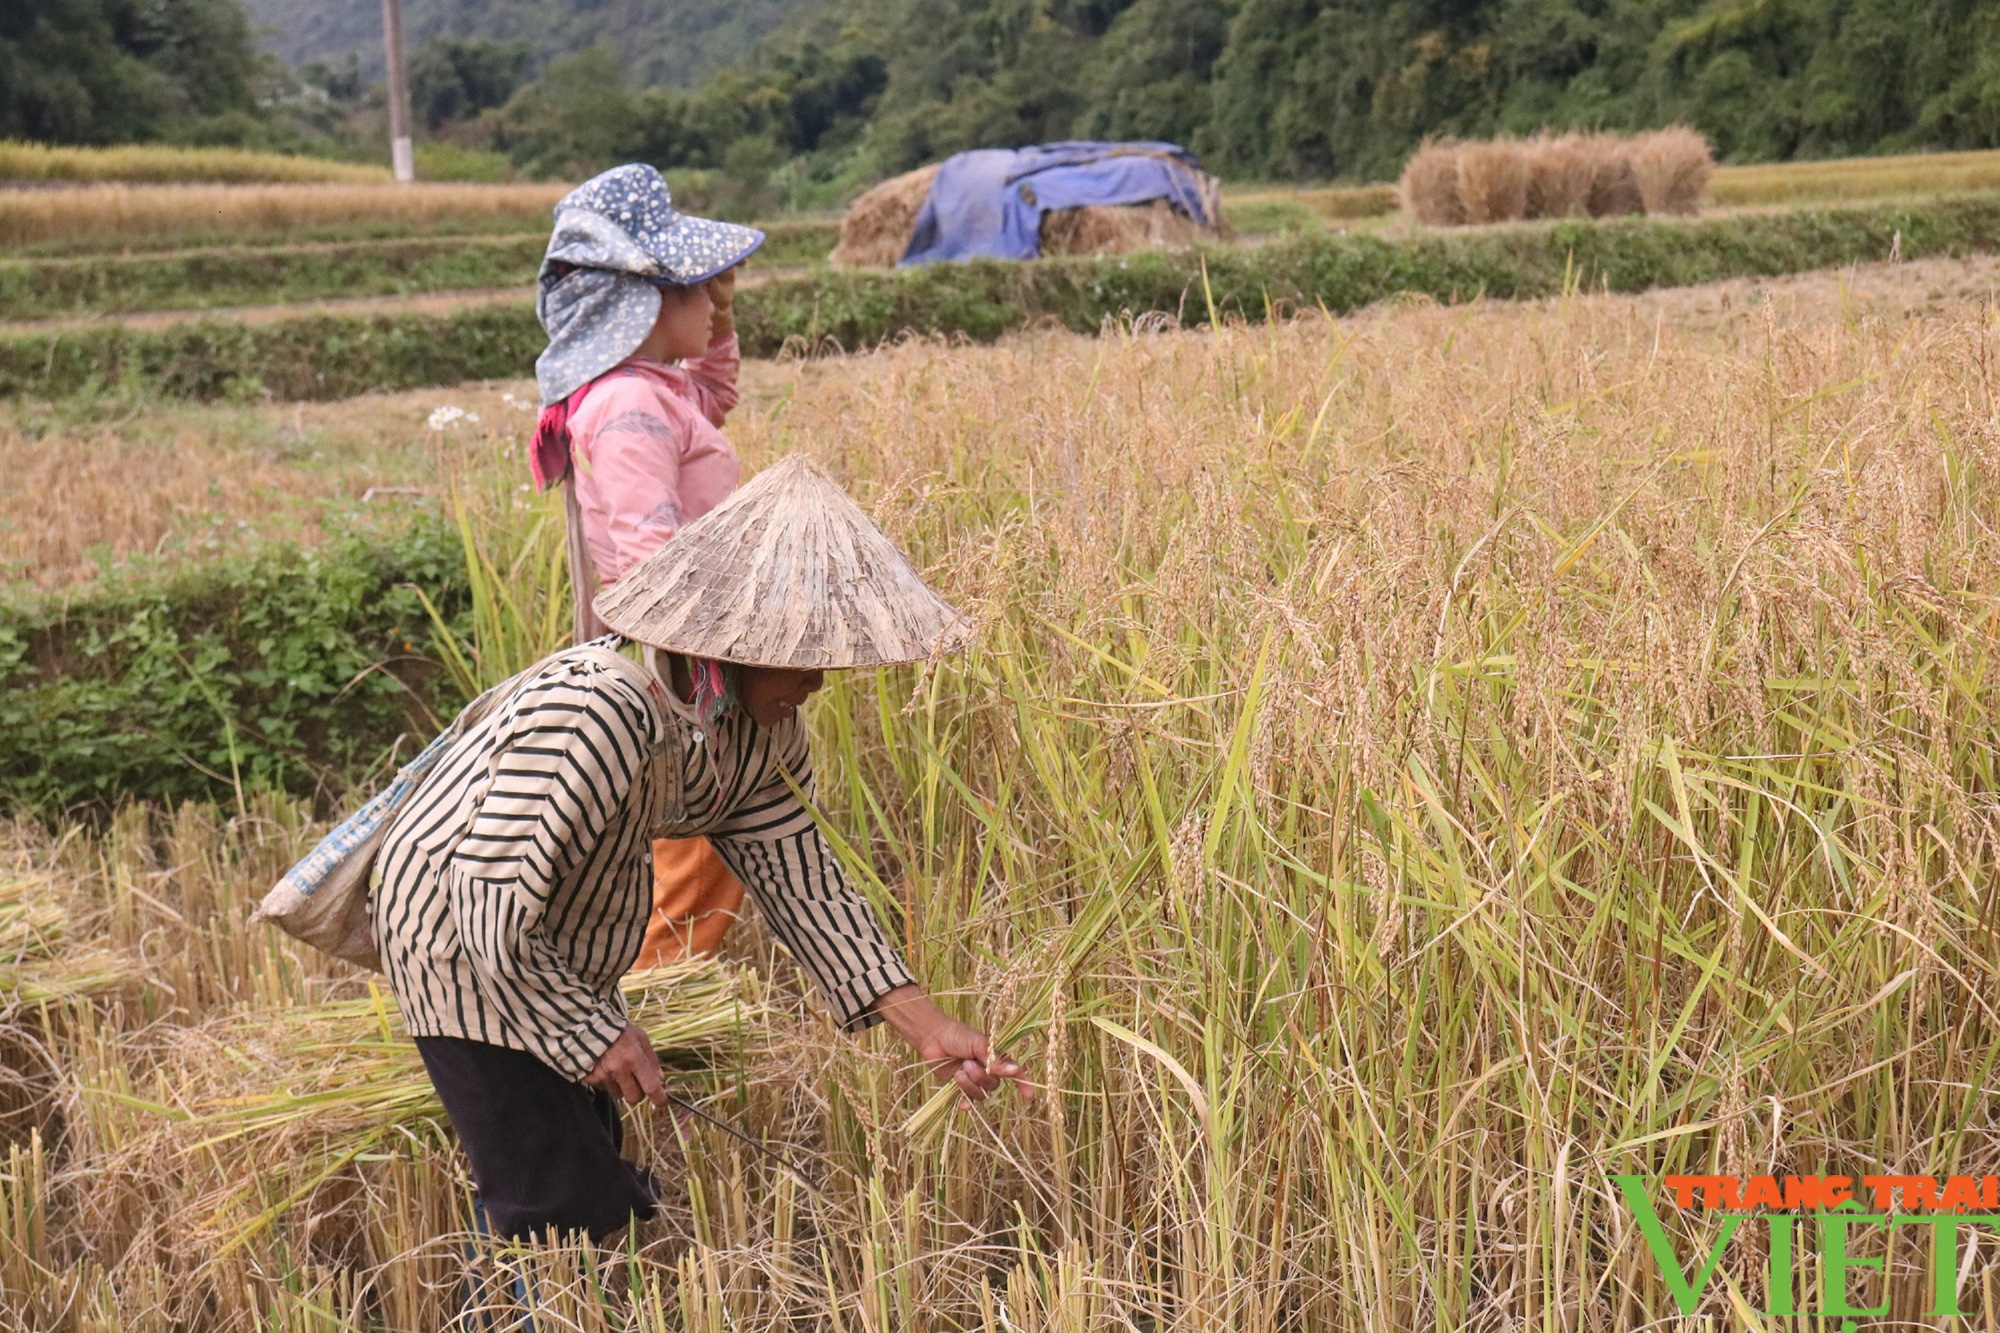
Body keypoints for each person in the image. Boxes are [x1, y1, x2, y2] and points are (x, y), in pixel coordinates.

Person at [370, 454, 1030, 1243]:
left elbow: (803, 880)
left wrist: (923, 1023)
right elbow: (485, 897)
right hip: (458, 940)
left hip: (556, 938)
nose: (818, 682)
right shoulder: (597, 709)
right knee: (550, 1199)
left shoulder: (762, 730)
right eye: (804, 655)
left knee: (589, 1164)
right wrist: (592, 1032)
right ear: (736, 641)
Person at [530, 163, 758, 971]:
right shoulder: (629, 406)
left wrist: (722, 319)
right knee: (697, 855)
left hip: (685, 654)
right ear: (647, 304)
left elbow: (715, 395)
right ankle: (653, 1010)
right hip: (679, 665)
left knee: (704, 852)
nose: (713, 301)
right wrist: (703, 674)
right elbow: (647, 552)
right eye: (700, 291)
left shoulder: (650, 389)